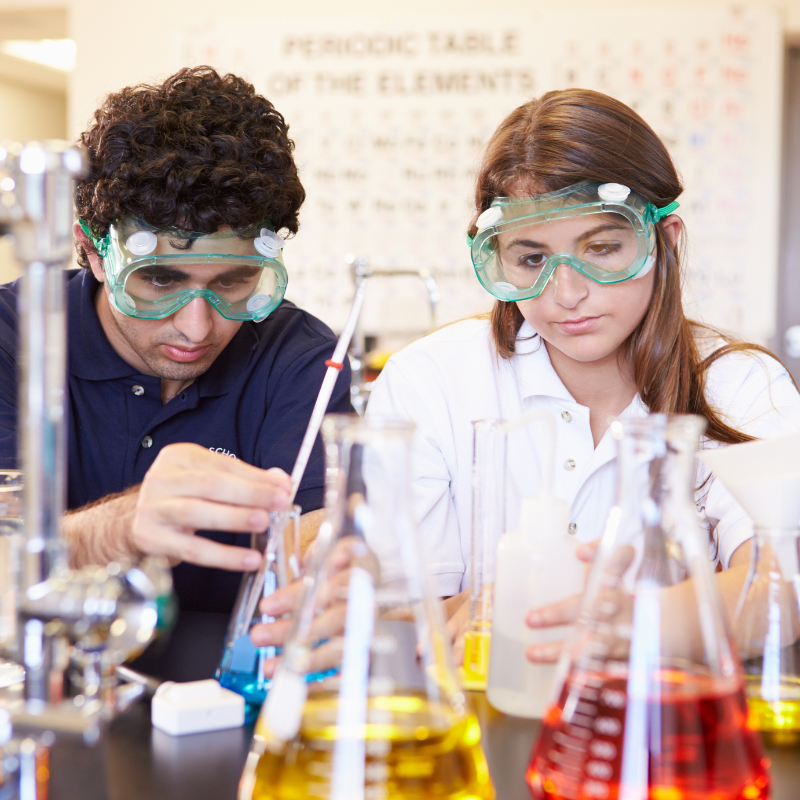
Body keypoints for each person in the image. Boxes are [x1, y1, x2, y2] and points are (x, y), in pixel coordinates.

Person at [363, 88, 800, 663]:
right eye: (533, 259)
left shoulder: (740, 383)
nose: (566, 294)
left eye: (602, 248)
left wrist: (613, 615)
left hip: (662, 725)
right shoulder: (432, 379)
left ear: (662, 243)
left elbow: (779, 595)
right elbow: (404, 609)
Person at [0, 66, 352, 616]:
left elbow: (316, 538)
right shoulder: (14, 338)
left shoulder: (300, 357)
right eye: (160, 280)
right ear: (91, 253)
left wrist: (322, 574)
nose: (197, 327)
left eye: (233, 283)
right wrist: (123, 524)